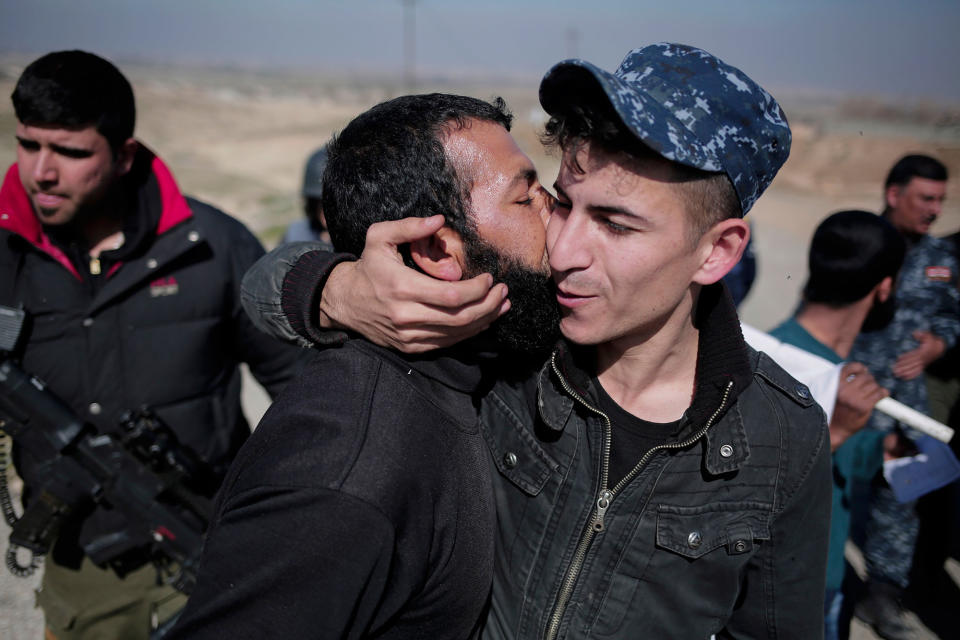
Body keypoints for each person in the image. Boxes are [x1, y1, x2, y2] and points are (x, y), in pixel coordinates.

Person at [242, 44, 832, 638]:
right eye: (563, 203)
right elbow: (261, 284)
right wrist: (336, 289)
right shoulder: (511, 332)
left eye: (615, 223)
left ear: (718, 251)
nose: (565, 252)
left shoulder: (782, 437)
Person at [170, 93, 559, 638]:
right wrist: (333, 290)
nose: (556, 210)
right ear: (439, 251)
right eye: (527, 197)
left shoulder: (495, 353)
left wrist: (325, 286)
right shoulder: (343, 472)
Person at [0, 50, 300, 639]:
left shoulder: (209, 245)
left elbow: (302, 387)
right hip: (81, 571)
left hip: (212, 543)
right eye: (29, 144)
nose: (41, 172)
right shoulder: (7, 254)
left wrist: (282, 510)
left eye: (70, 151)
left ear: (124, 155)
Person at [769, 210, 906, 640]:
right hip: (784, 591)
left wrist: (877, 450)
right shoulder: (774, 361)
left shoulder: (840, 368)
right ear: (884, 287)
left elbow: (840, 466)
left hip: (824, 579)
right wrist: (840, 429)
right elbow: (760, 477)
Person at [847, 155, 960, 639]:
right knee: (832, 490)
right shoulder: (860, 242)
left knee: (903, 497)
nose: (935, 209)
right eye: (925, 198)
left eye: (941, 200)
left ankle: (882, 597)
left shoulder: (942, 258)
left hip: (910, 400)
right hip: (853, 392)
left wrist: (940, 343)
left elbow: (951, 318)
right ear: (894, 194)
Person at [279, 144, 334, 248]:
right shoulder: (296, 235)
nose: (327, 211)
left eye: (333, 203)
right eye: (322, 204)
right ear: (312, 204)